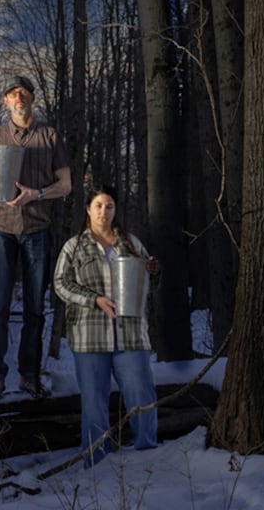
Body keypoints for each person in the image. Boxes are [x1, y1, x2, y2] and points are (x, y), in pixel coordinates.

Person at [0, 74, 72, 399]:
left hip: (36, 228)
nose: (20, 98)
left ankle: (30, 376)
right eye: (14, 94)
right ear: (6, 100)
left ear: (32, 99)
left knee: (34, 309)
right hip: (0, 228)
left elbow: (66, 185)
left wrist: (38, 194)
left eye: (25, 93)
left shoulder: (49, 136)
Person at [53, 183, 160, 467]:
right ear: (88, 209)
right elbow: (61, 285)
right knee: (94, 401)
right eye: (98, 205)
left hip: (130, 336)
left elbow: (147, 284)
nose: (104, 211)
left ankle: (149, 454)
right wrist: (93, 299)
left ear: (115, 210)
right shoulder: (74, 247)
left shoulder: (131, 244)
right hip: (89, 336)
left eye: (109, 206)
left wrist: (152, 271)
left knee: (141, 393)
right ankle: (97, 460)